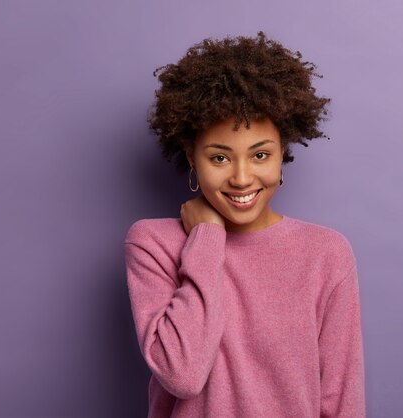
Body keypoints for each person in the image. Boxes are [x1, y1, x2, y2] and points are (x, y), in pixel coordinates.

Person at [123, 31, 365, 417]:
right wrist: (206, 238)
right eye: (219, 158)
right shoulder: (153, 243)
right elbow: (182, 375)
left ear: (281, 154)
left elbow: (340, 400)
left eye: (260, 155)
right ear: (191, 157)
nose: (240, 177)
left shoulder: (326, 253)